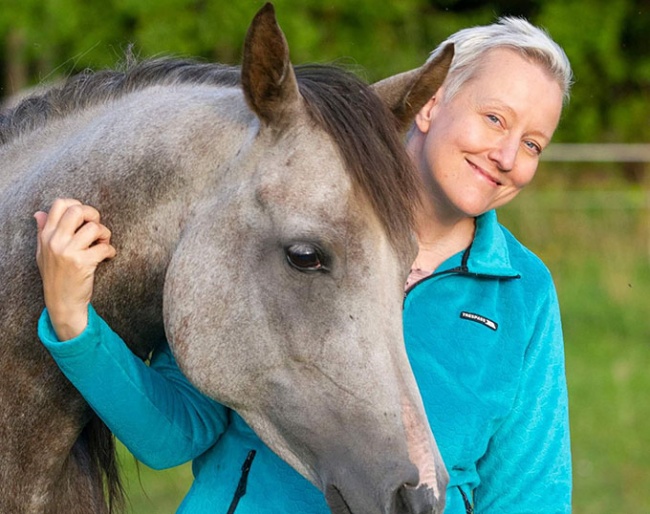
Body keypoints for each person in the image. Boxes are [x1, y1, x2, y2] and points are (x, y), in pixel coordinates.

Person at [36, 17, 573, 514]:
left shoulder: (522, 295)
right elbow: (175, 433)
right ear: (430, 104)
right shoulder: (291, 237)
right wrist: (75, 324)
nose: (506, 155)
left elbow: (529, 495)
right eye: (494, 118)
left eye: (532, 143)